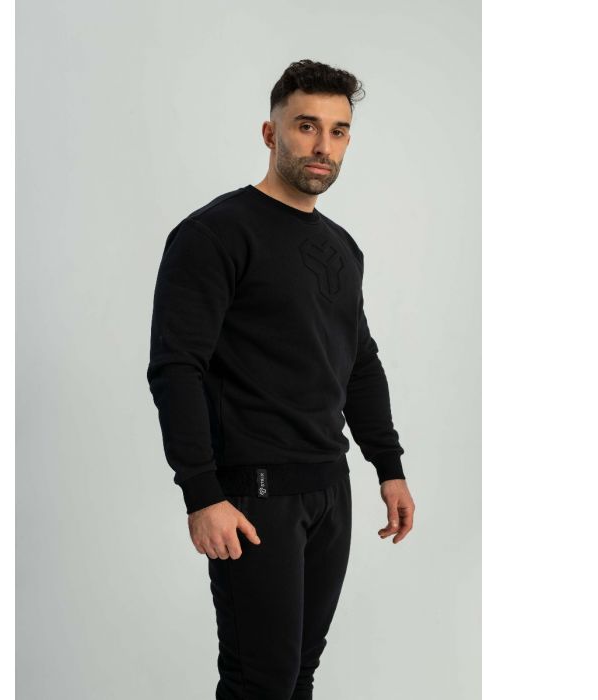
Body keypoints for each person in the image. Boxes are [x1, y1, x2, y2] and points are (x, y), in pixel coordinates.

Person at [146, 59, 416, 700]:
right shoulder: (214, 233)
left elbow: (359, 360)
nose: (323, 145)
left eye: (339, 131)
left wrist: (388, 466)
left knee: (298, 676)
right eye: (306, 126)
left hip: (328, 488)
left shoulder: (341, 246)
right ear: (271, 133)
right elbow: (175, 368)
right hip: (253, 496)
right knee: (258, 682)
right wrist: (202, 494)